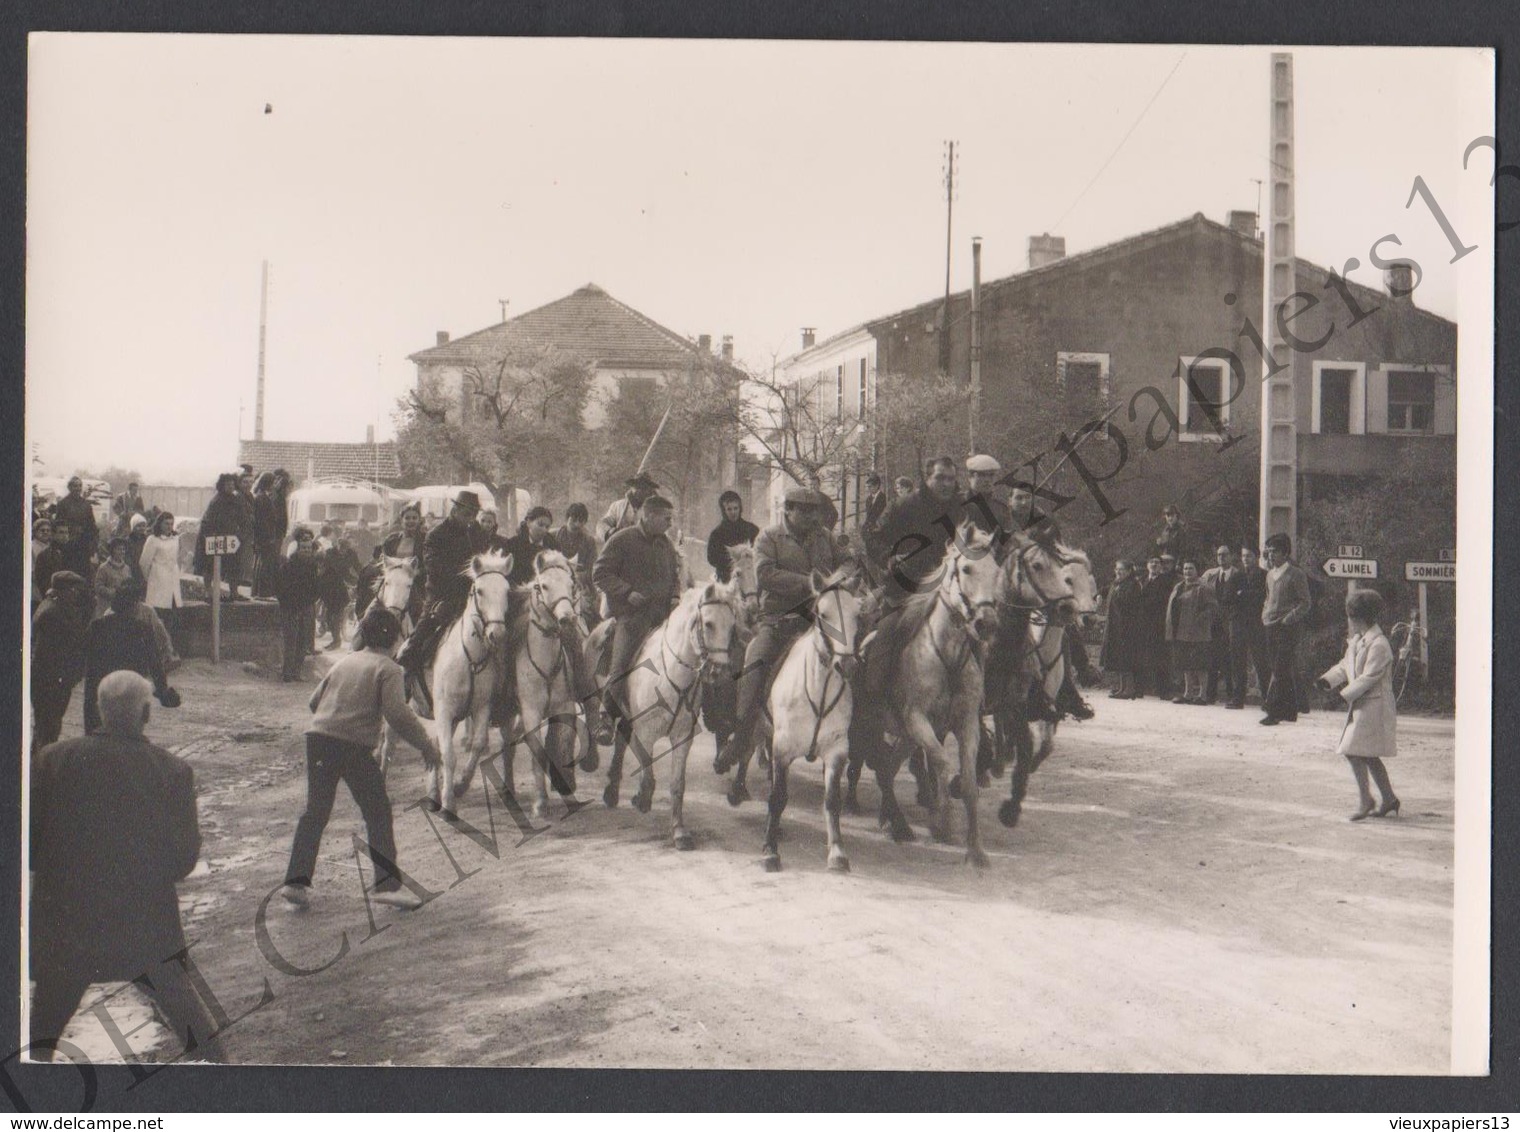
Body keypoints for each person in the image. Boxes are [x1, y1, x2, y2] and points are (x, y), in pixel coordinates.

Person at [29, 671, 227, 1064]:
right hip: (144, 919)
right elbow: (183, 858)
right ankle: (226, 1093)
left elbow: (29, 847)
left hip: (68, 917)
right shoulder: (171, 771)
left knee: (40, 1037)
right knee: (194, 1025)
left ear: (99, 710)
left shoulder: (52, 760)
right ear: (147, 713)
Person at [281, 607, 443, 911]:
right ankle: (386, 885)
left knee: (316, 812)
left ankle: (295, 883)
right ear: (396, 639)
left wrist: (338, 715)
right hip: (352, 747)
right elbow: (398, 714)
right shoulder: (389, 669)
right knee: (378, 811)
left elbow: (313, 701)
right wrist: (426, 745)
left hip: (318, 740)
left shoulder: (346, 662)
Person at [714, 486, 841, 775]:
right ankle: (740, 734)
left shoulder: (825, 536)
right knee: (755, 663)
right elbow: (766, 575)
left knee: (851, 656)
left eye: (816, 511)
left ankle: (856, 735)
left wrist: (837, 578)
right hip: (778, 619)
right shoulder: (769, 537)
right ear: (789, 510)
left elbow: (846, 559)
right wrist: (810, 581)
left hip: (818, 619)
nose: (813, 517)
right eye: (806, 511)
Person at [592, 494, 683, 733]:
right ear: (649, 515)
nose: (669, 523)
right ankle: (606, 717)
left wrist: (675, 596)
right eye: (666, 518)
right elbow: (600, 573)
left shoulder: (666, 544)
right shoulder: (622, 540)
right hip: (632, 617)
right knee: (620, 664)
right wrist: (626, 592)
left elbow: (675, 576)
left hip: (663, 617)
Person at [1317, 589, 1401, 821]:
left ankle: (1367, 800)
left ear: (1360, 618)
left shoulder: (1380, 644)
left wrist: (1340, 696)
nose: (1349, 621)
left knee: (1352, 751)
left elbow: (1368, 678)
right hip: (1362, 706)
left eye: (1351, 616)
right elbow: (1345, 666)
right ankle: (1389, 799)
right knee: (1367, 754)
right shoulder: (1358, 641)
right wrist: (1326, 680)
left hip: (1375, 707)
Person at [396, 491, 485, 689]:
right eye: (467, 514)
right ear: (455, 510)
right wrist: (465, 575)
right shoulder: (436, 534)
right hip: (442, 593)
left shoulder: (476, 532)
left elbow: (483, 557)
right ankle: (405, 673)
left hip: (474, 594)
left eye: (473, 515)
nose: (470, 519)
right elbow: (434, 568)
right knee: (426, 625)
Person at [83, 581, 178, 734]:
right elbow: (155, 664)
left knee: (96, 734)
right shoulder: (142, 629)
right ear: (134, 605)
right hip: (130, 688)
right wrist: (163, 691)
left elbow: (82, 656)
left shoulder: (97, 626)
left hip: (98, 690)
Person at [874, 456, 964, 600]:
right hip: (906, 588)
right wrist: (889, 557)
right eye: (940, 478)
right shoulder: (904, 506)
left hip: (949, 589)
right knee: (889, 622)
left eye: (951, 479)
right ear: (928, 478)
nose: (946, 484)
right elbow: (875, 537)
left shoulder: (961, 508)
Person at [30, 572, 92, 754]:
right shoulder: (53, 613)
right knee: (48, 727)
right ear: (63, 590)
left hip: (52, 679)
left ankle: (39, 762)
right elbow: (53, 653)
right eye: (73, 590)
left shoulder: (55, 607)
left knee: (46, 727)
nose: (76, 594)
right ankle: (41, 766)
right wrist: (64, 678)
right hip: (51, 680)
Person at [1259, 532, 1312, 725]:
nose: (1270, 555)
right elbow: (1268, 598)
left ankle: (1273, 711)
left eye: (1275, 552)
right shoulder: (1270, 575)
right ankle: (1290, 711)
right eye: (1269, 551)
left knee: (1280, 668)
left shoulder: (1296, 574)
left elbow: (1305, 602)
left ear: (1285, 553)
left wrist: (1289, 619)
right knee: (1278, 667)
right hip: (1269, 625)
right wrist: (1265, 614)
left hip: (1287, 627)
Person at [1166, 560, 1219, 705]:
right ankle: (1188, 693)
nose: (1187, 572)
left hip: (1198, 633)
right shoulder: (1179, 586)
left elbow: (1213, 608)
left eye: (1190, 569)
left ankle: (1202, 695)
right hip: (1181, 631)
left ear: (1197, 571)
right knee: (1186, 664)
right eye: (1185, 569)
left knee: (1200, 665)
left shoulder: (1204, 587)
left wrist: (1200, 620)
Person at [277, 527, 322, 682]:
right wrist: (290, 606)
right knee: (291, 641)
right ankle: (287, 673)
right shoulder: (289, 566)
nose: (306, 551)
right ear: (298, 548)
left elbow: (316, 588)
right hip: (290, 609)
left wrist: (310, 602)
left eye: (309, 548)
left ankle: (297, 672)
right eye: (303, 548)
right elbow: (281, 589)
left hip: (307, 608)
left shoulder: (313, 566)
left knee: (304, 641)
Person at [1230, 543, 1271, 708]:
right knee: (1237, 662)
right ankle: (1238, 698)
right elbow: (1228, 598)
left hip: (1257, 623)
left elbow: (1263, 597)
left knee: (1261, 662)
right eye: (1243, 556)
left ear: (1257, 557)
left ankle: (1268, 699)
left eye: (1249, 556)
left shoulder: (1265, 576)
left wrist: (1243, 594)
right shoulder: (1236, 576)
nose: (1245, 559)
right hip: (1239, 624)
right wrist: (1244, 596)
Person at [195, 473, 247, 601]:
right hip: (216, 537)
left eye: (232, 484)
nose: (230, 486)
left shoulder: (236, 500)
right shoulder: (216, 501)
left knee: (234, 566)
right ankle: (209, 591)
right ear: (222, 485)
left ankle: (234, 591)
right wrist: (210, 538)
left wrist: (240, 535)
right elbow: (209, 521)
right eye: (227, 484)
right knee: (211, 566)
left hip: (231, 538)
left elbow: (243, 519)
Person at [1200, 545, 1241, 705]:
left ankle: (1232, 694)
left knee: (1229, 660)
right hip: (1214, 623)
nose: (1221, 558)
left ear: (1231, 556)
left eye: (1225, 555)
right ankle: (1210, 694)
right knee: (1212, 658)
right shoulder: (1211, 575)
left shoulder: (1238, 575)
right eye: (1219, 555)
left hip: (1231, 622)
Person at [140, 510, 184, 651]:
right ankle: (156, 651)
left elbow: (177, 559)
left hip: (172, 584)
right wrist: (151, 579)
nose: (169, 526)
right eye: (166, 523)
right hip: (158, 583)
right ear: (159, 524)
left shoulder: (176, 539)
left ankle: (170, 650)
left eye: (171, 524)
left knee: (172, 617)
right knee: (158, 617)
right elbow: (144, 563)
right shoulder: (153, 540)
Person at [1100, 560, 1144, 699]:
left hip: (1127, 626)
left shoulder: (1133, 585)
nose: (1118, 572)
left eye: (1122, 570)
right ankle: (1121, 687)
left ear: (1129, 571)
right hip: (1115, 626)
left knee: (1126, 658)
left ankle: (1129, 689)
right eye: (1117, 569)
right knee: (1118, 658)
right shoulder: (1116, 584)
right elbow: (1105, 592)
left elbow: (1130, 605)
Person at [961, 454, 1014, 559]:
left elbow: (1007, 543)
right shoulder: (959, 504)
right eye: (981, 475)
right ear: (970, 477)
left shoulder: (1001, 509)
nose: (987, 480)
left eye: (991, 475)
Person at [555, 502, 599, 623]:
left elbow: (591, 568)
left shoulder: (589, 541)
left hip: (580, 583)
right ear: (567, 518)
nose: (577, 524)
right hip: (556, 581)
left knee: (587, 610)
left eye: (581, 521)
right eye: (573, 519)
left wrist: (581, 579)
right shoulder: (554, 536)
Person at [1136, 556, 1174, 699]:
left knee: (1160, 657)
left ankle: (1163, 690)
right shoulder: (1142, 581)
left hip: (1158, 624)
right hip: (1142, 624)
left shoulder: (1165, 581)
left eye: (1157, 563)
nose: (1153, 565)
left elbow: (1162, 600)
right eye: (1151, 562)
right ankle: (1140, 688)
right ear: (1147, 565)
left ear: (1161, 566)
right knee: (1141, 656)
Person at [706, 490, 760, 584]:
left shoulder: (752, 530)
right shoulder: (717, 534)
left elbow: (760, 552)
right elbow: (712, 558)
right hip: (726, 579)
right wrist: (731, 561)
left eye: (736, 508)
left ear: (740, 509)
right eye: (729, 509)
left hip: (750, 579)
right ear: (724, 510)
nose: (733, 512)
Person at [252, 470, 291, 598]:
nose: (276, 484)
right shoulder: (263, 498)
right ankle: (262, 591)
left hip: (268, 536)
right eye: (274, 482)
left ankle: (259, 591)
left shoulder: (263, 496)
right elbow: (264, 519)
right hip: (267, 537)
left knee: (264, 563)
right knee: (265, 564)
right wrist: (269, 536)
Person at [501, 506, 560, 586]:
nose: (544, 530)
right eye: (540, 525)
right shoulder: (512, 544)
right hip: (519, 592)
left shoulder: (553, 546)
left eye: (547, 527)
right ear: (529, 522)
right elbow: (505, 574)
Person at [596, 473, 660, 545]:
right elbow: (602, 523)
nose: (639, 491)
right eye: (637, 486)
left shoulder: (654, 511)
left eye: (644, 488)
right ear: (631, 487)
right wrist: (609, 532)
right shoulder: (618, 506)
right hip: (619, 549)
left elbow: (660, 534)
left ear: (649, 490)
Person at [54, 477, 100, 576]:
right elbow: (58, 525)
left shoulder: (86, 505)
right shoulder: (63, 504)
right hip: (68, 546)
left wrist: (93, 547)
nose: (78, 488)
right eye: (75, 486)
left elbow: (92, 526)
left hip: (83, 546)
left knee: (83, 575)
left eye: (80, 486)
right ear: (69, 487)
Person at [93, 537, 134, 617]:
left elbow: (130, 584)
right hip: (106, 605)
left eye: (123, 549)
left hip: (123, 606)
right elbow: (98, 587)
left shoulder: (127, 568)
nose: (122, 552)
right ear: (112, 551)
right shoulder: (103, 568)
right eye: (118, 549)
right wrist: (113, 592)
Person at [1153, 503, 1201, 569]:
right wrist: (1159, 544)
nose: (1170, 518)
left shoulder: (1181, 531)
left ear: (1176, 516)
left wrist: (1179, 564)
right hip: (1164, 560)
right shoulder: (1165, 531)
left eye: (1172, 515)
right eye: (1168, 515)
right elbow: (1163, 547)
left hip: (1175, 562)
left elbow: (1183, 550)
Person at [32, 517, 62, 613]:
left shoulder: (51, 547)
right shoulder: (32, 547)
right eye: (42, 530)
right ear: (35, 532)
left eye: (48, 530)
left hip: (50, 588)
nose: (45, 532)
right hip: (36, 589)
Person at [126, 512, 151, 589]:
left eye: (143, 526)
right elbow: (127, 557)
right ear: (133, 527)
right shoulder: (128, 540)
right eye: (138, 526)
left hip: (145, 569)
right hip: (133, 568)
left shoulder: (147, 540)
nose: (142, 528)